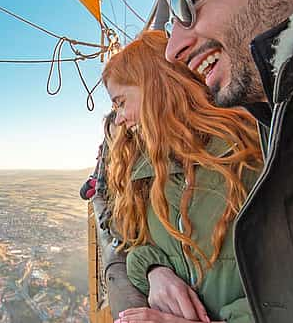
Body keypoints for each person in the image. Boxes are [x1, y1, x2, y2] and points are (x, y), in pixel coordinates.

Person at [148, 0, 293, 322]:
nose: (172, 49)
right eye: (168, 27)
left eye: (186, 1)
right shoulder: (281, 120)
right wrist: (153, 269)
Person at [104, 31, 263, 323]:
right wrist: (155, 270)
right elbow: (140, 241)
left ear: (156, 87)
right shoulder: (154, 174)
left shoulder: (247, 155)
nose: (119, 119)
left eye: (121, 102)